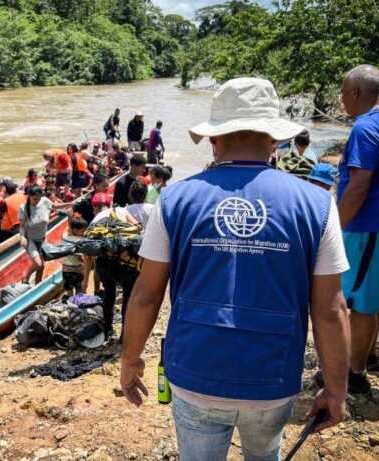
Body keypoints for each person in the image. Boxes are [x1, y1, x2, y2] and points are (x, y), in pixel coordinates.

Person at [119, 77, 351, 461]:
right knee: (264, 454)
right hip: (273, 377)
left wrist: (130, 360)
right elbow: (330, 310)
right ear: (274, 140)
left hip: (194, 372)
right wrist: (336, 389)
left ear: (214, 139)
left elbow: (146, 294)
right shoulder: (318, 205)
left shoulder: (175, 199)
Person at [331, 65, 379, 394]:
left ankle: (353, 373)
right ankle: (365, 359)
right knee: (371, 300)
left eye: (344, 92)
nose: (342, 99)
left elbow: (358, 187)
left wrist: (334, 228)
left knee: (358, 304)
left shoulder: (366, 127)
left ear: (357, 93)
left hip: (366, 228)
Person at [84, 192, 139, 339]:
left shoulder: (95, 220)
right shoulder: (122, 211)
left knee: (109, 293)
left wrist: (88, 282)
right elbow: (138, 229)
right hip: (126, 262)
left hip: (105, 264)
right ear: (110, 204)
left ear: (94, 208)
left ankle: (108, 330)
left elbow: (89, 254)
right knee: (128, 294)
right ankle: (124, 334)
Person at [19, 185, 53, 284]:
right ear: (29, 197)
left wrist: (71, 204)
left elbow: (55, 206)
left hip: (42, 239)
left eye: (38, 199)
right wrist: (22, 237)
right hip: (30, 240)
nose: (37, 201)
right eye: (34, 199)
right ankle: (25, 278)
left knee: (42, 266)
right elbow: (21, 226)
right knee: (38, 264)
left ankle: (38, 284)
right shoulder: (23, 208)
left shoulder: (45, 201)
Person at [61, 217, 88, 298]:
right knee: (79, 290)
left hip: (66, 269)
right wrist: (84, 263)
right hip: (77, 270)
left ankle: (70, 305)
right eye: (83, 230)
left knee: (69, 291)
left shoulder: (65, 238)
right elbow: (79, 257)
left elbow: (65, 232)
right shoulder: (80, 241)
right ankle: (77, 307)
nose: (84, 232)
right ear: (76, 230)